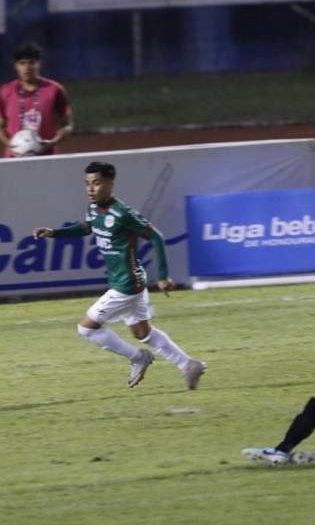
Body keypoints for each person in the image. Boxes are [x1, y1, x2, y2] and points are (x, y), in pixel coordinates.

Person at [32, 161, 206, 389]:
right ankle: (188, 365)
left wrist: (163, 276)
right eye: (87, 184)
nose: (90, 189)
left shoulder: (123, 214)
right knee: (142, 332)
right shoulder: (94, 208)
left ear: (110, 184)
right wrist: (54, 233)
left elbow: (156, 237)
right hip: (128, 280)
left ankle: (138, 357)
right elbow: (86, 228)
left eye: (96, 183)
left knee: (86, 329)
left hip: (127, 285)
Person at [0, 42, 73, 158]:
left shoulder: (55, 90)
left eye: (32, 62)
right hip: (13, 158)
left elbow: (67, 125)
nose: (27, 68)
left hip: (47, 156)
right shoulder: (5, 91)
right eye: (22, 63)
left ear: (39, 64)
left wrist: (53, 142)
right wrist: (10, 144)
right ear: (16, 66)